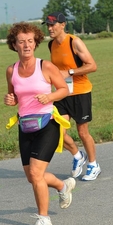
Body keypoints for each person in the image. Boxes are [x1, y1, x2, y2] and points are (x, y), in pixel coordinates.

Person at [4, 22, 76, 225]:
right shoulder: (11, 70)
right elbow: (15, 96)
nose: (26, 45)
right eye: (21, 41)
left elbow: (64, 89)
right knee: (32, 176)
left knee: (36, 173)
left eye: (30, 41)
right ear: (14, 45)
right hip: (25, 125)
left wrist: (50, 96)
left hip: (47, 123)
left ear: (35, 43)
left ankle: (44, 219)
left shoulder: (45, 67)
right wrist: (10, 99)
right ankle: (63, 186)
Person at [43, 12, 101, 181]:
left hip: (80, 92)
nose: (50, 28)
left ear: (63, 25)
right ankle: (77, 156)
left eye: (53, 24)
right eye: (48, 25)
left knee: (83, 132)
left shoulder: (74, 42)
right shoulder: (51, 45)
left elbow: (92, 66)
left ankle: (93, 164)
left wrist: (68, 72)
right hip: (62, 93)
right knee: (57, 133)